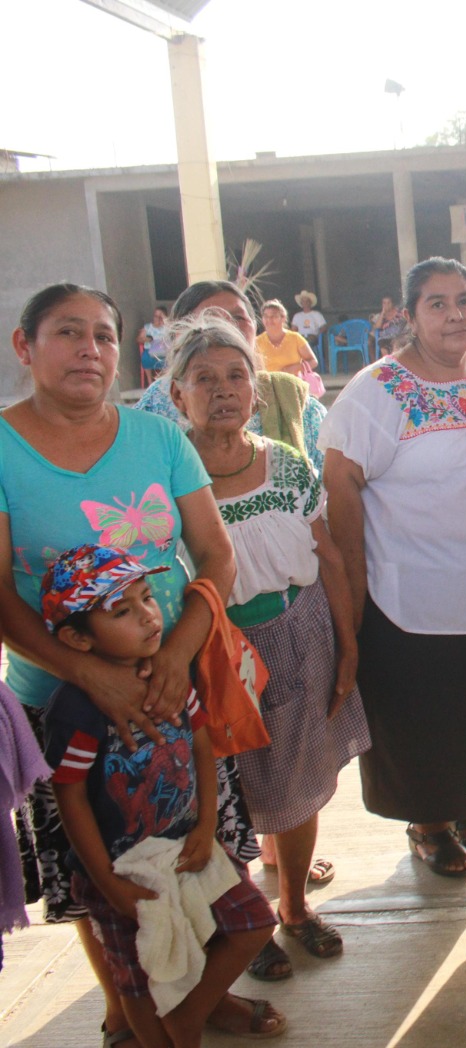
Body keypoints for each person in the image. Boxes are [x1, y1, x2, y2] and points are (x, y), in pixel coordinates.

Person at [1, 283, 280, 1041]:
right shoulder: (1, 447)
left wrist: (181, 651)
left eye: (103, 334)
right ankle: (132, 1014)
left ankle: (198, 1000)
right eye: (67, 332)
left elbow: (215, 554)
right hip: (61, 699)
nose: (89, 349)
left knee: (202, 858)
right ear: (26, 347)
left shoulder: (158, 439)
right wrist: (88, 672)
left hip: (171, 684)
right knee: (107, 885)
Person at [166, 312, 370, 977]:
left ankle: (294, 907)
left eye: (236, 376)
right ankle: (245, 920)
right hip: (216, 654)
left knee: (300, 783)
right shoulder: (167, 478)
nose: (223, 390)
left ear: (256, 389)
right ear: (178, 397)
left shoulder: (281, 462)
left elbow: (329, 556)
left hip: (297, 634)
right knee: (228, 796)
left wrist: (347, 646)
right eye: (205, 379)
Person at [322, 257, 466, 878]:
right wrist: (354, 594)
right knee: (420, 715)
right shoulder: (375, 391)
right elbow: (341, 485)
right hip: (404, 593)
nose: (454, 314)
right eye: (436, 303)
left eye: (465, 299)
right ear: (409, 317)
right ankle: (428, 824)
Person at [41, 545, 282, 1048]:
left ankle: (190, 1017)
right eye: (122, 611)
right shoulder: (78, 709)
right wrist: (107, 883)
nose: (149, 616)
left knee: (253, 922)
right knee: (139, 979)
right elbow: (72, 799)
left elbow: (200, 746)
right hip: (121, 870)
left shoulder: (171, 672)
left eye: (147, 598)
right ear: (75, 640)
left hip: (186, 846)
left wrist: (205, 825)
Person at [138, 280, 328, 474]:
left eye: (238, 318)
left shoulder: (293, 401)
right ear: (178, 333)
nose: (228, 328)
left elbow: (327, 481)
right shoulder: (157, 402)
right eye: (211, 319)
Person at [256, 300, 319, 381]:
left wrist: (295, 368)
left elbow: (313, 361)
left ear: (283, 318)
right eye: (266, 316)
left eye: (274, 316)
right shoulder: (257, 342)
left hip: (294, 385)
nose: (269, 320)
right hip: (268, 388)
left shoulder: (295, 338)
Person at [138, 307, 169, 387]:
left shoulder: (167, 327)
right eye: (156, 316)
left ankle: (164, 382)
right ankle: (150, 383)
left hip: (164, 350)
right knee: (146, 357)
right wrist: (147, 338)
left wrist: (165, 320)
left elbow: (173, 330)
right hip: (150, 350)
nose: (157, 319)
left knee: (168, 358)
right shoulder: (148, 327)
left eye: (160, 317)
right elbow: (139, 339)